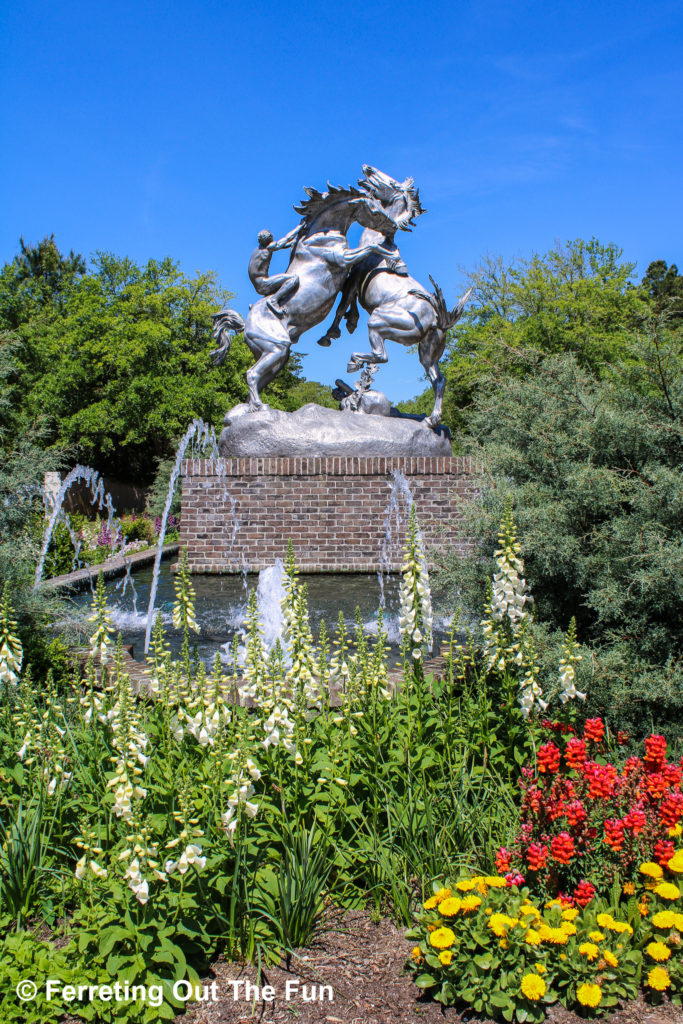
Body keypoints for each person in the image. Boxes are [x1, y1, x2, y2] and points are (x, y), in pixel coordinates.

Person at [248, 227, 301, 318]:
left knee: (279, 285)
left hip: (257, 285)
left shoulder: (257, 250)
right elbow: (286, 239)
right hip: (263, 283)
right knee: (293, 279)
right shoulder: (269, 247)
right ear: (270, 238)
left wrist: (294, 243)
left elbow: (283, 245)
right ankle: (274, 300)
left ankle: (259, 305)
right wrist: (299, 227)